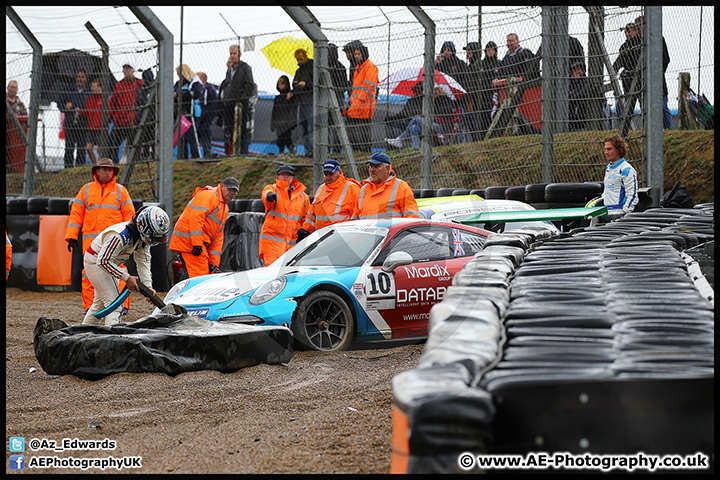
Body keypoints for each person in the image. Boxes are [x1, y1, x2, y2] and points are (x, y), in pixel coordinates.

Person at [65, 158, 136, 315]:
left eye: (110, 170)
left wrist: (129, 240)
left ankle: (121, 306)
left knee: (118, 271)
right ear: (97, 171)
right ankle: (90, 308)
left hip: (115, 243)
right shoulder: (86, 190)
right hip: (91, 244)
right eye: (104, 169)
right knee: (89, 274)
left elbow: (130, 216)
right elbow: (76, 214)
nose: (107, 172)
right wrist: (71, 236)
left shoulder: (120, 191)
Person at [82, 206, 170, 326]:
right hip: (96, 262)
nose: (155, 241)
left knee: (100, 305)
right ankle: (113, 341)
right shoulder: (119, 235)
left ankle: (83, 332)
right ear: (144, 227)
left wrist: (148, 287)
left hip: (108, 263)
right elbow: (103, 261)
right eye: (154, 236)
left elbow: (143, 262)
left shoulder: (142, 237)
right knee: (115, 305)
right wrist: (127, 278)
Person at [169, 176, 239, 278]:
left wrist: (213, 262)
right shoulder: (209, 196)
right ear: (222, 186)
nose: (232, 193)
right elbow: (196, 218)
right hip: (191, 243)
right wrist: (196, 243)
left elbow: (218, 236)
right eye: (230, 189)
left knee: (204, 277)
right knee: (200, 277)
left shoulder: (224, 207)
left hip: (198, 244)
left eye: (234, 191)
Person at [259, 164, 310, 266]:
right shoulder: (273, 190)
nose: (285, 177)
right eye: (283, 174)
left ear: (293, 177)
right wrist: (269, 196)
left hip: (292, 247)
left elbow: (305, 219)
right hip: (272, 245)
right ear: (277, 177)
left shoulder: (303, 197)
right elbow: (266, 194)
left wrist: (304, 233)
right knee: (272, 273)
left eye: (288, 174)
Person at [297, 159, 361, 241]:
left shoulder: (352, 189)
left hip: (342, 239)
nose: (328, 177)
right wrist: (305, 230)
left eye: (331, 174)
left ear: (340, 172)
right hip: (322, 239)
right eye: (326, 174)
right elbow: (312, 215)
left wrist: (352, 240)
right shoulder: (321, 189)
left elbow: (357, 218)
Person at [352, 152, 420, 220]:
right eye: (371, 166)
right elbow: (355, 219)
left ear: (387, 168)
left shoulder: (401, 187)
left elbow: (412, 217)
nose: (372, 170)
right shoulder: (363, 190)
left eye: (376, 166)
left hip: (392, 230)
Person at [386, 86, 456, 149]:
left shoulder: (445, 101)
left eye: (433, 91)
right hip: (432, 124)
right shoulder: (430, 101)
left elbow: (441, 115)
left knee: (416, 119)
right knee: (414, 127)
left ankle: (400, 139)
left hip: (441, 127)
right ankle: (416, 150)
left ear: (438, 91)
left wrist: (424, 116)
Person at [634, 16, 672, 129]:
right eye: (637, 27)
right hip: (642, 80)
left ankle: (667, 129)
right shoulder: (636, 42)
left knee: (663, 106)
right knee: (646, 108)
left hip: (658, 79)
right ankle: (648, 129)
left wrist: (657, 72)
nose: (639, 29)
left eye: (640, 26)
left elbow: (666, 59)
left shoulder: (658, 38)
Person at [343, 44, 379, 153]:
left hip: (364, 105)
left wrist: (360, 99)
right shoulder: (358, 68)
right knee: (352, 129)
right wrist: (352, 102)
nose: (357, 56)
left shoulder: (370, 67)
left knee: (363, 130)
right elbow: (355, 88)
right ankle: (358, 150)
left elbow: (369, 84)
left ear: (364, 54)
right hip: (355, 105)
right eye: (356, 54)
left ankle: (365, 151)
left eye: (359, 54)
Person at [223, 44, 256, 155]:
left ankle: (243, 152)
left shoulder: (245, 68)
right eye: (231, 54)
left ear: (239, 54)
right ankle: (233, 152)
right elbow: (227, 84)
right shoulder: (230, 70)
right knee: (230, 129)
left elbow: (250, 85)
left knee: (242, 129)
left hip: (240, 104)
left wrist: (242, 100)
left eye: (234, 54)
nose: (232, 56)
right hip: (229, 103)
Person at [435, 40, 471, 141]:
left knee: (460, 122)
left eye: (449, 49)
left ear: (453, 51)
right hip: (443, 100)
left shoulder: (459, 63)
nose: (446, 52)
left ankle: (462, 141)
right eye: (444, 49)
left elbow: (464, 80)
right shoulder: (440, 65)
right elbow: (430, 75)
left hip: (458, 98)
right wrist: (435, 63)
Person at [109, 60, 143, 164]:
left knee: (134, 145)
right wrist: (111, 117)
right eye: (125, 69)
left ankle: (134, 165)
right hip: (119, 120)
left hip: (132, 120)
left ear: (133, 70)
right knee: (112, 144)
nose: (127, 71)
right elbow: (113, 102)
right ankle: (114, 164)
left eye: (129, 69)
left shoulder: (139, 83)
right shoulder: (119, 85)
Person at [61, 69, 90, 168]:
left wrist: (81, 109)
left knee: (81, 148)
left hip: (83, 123)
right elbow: (60, 103)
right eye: (79, 77)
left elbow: (90, 107)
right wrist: (65, 106)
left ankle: (79, 168)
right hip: (70, 122)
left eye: (82, 77)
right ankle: (68, 168)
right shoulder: (68, 90)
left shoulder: (89, 92)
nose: (80, 79)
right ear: (75, 78)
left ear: (86, 79)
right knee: (69, 147)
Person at [601, 134, 638, 214]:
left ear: (618, 149)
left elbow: (632, 196)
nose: (606, 152)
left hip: (618, 214)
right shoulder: (608, 167)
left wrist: (624, 213)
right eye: (605, 149)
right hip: (606, 213)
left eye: (609, 149)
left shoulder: (626, 169)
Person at [173, 64, 202, 159]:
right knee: (181, 138)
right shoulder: (178, 83)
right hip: (180, 113)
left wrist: (178, 95)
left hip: (191, 113)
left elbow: (195, 94)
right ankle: (182, 157)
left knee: (191, 137)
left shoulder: (195, 82)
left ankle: (195, 156)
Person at [288, 48, 314, 157]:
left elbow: (316, 84)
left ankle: (313, 151)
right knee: (303, 128)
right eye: (297, 60)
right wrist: (292, 92)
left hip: (311, 101)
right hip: (301, 101)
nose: (299, 62)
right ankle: (307, 150)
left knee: (311, 128)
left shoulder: (313, 67)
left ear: (306, 57)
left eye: (300, 59)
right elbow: (295, 83)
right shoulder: (298, 71)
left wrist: (306, 84)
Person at [613, 23, 641, 117]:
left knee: (643, 104)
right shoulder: (624, 47)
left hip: (640, 79)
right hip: (628, 80)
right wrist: (614, 70)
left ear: (635, 31)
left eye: (629, 31)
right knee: (626, 107)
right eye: (626, 32)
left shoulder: (641, 44)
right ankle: (626, 126)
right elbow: (619, 61)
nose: (627, 34)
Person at [478, 41, 502, 138]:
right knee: (482, 117)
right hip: (482, 94)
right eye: (488, 50)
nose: (490, 52)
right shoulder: (481, 64)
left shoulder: (499, 63)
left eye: (492, 49)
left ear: (495, 51)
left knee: (493, 114)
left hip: (494, 93)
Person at [328, 43, 348, 152]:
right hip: (326, 101)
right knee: (324, 126)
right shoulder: (323, 68)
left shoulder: (340, 68)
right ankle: (325, 149)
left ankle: (336, 149)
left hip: (338, 100)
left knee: (337, 126)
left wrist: (334, 89)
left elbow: (343, 86)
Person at [81, 78, 105, 165]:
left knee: (100, 149)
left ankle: (100, 165)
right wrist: (79, 111)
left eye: (94, 86)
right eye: (92, 86)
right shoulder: (90, 100)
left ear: (99, 88)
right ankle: (95, 164)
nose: (92, 88)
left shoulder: (104, 99)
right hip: (91, 127)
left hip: (100, 128)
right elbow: (85, 112)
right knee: (88, 148)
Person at [271, 75, 297, 156]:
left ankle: (291, 150)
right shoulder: (277, 98)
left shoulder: (290, 96)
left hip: (287, 122)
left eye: (282, 83)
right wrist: (273, 123)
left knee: (287, 138)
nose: (280, 86)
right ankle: (281, 152)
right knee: (280, 139)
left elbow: (292, 109)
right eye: (279, 84)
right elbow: (274, 111)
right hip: (279, 121)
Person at [196, 72, 219, 158]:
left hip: (205, 121)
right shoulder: (197, 89)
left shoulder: (210, 90)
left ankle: (207, 158)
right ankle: (196, 158)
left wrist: (207, 120)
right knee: (196, 142)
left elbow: (213, 107)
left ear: (203, 79)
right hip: (198, 119)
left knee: (206, 142)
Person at [463, 41, 483, 142]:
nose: (468, 53)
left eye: (470, 51)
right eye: (467, 51)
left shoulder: (479, 64)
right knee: (470, 122)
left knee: (476, 122)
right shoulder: (468, 66)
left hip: (477, 98)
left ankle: (477, 140)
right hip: (469, 98)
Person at [569, 61, 589, 132]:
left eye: (580, 69)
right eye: (575, 70)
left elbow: (582, 94)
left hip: (581, 110)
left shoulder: (585, 81)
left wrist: (571, 98)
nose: (578, 71)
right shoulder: (568, 84)